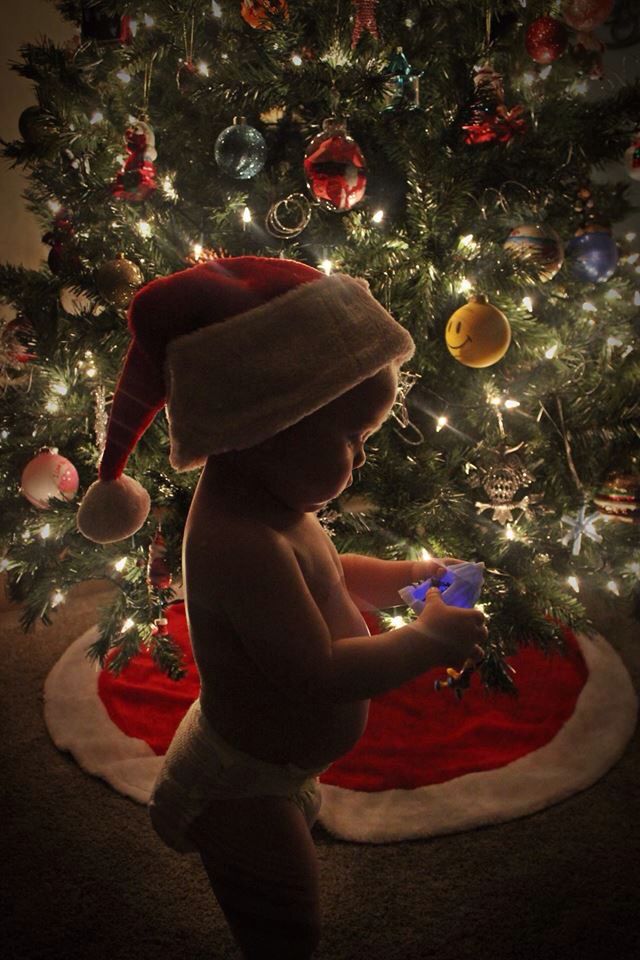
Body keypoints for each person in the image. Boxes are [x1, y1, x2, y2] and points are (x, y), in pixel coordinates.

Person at [77, 256, 488, 960]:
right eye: (351, 439)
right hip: (241, 786)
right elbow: (317, 670)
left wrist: (409, 576)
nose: (359, 460)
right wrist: (424, 641)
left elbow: (330, 574)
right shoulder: (238, 543)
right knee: (287, 929)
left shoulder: (268, 503)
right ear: (265, 424)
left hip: (278, 766)